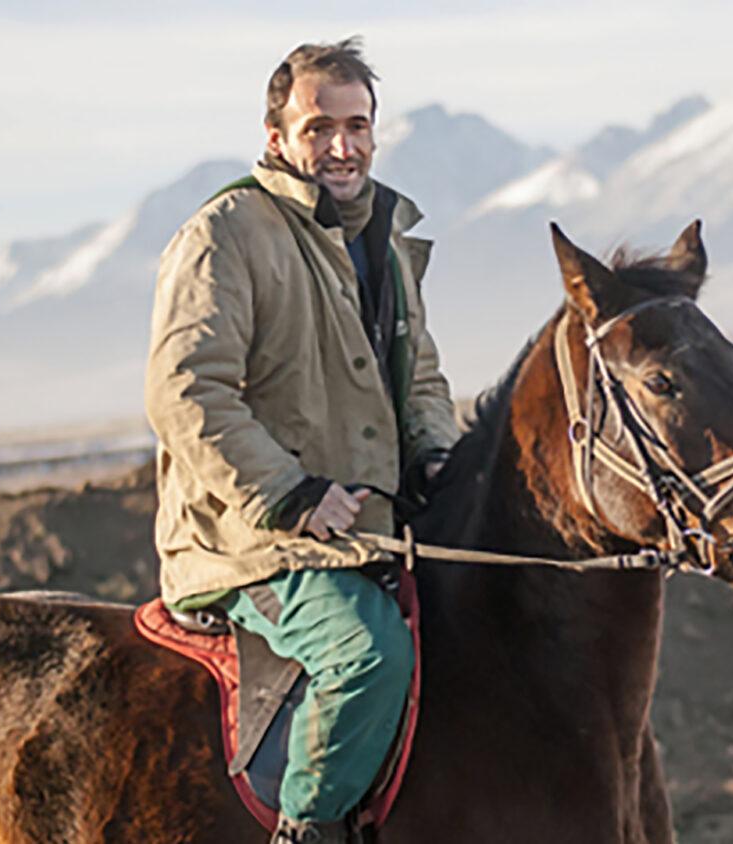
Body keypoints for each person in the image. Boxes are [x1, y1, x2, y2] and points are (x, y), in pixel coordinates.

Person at [145, 38, 459, 844]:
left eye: (357, 126)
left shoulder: (383, 236)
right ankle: (308, 833)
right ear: (276, 133)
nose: (342, 147)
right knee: (367, 656)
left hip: (364, 526)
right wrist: (289, 495)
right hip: (251, 537)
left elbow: (418, 374)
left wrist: (435, 457)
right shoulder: (226, 234)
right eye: (320, 128)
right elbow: (187, 392)